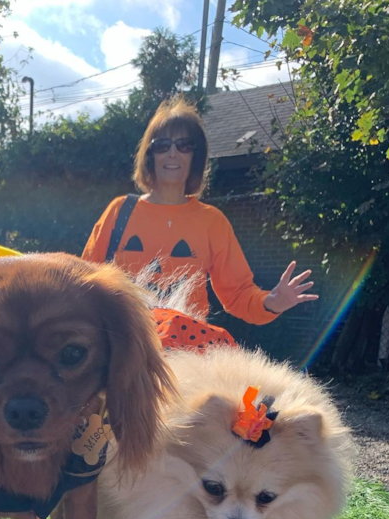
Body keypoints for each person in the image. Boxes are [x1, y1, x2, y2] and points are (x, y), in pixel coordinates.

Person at [82, 97, 317, 349]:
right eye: (162, 145)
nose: (173, 152)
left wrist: (271, 301)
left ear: (196, 156)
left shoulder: (211, 221)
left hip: (187, 355)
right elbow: (84, 280)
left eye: (184, 145)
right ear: (150, 155)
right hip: (123, 347)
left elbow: (237, 294)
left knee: (251, 390)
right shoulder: (119, 211)